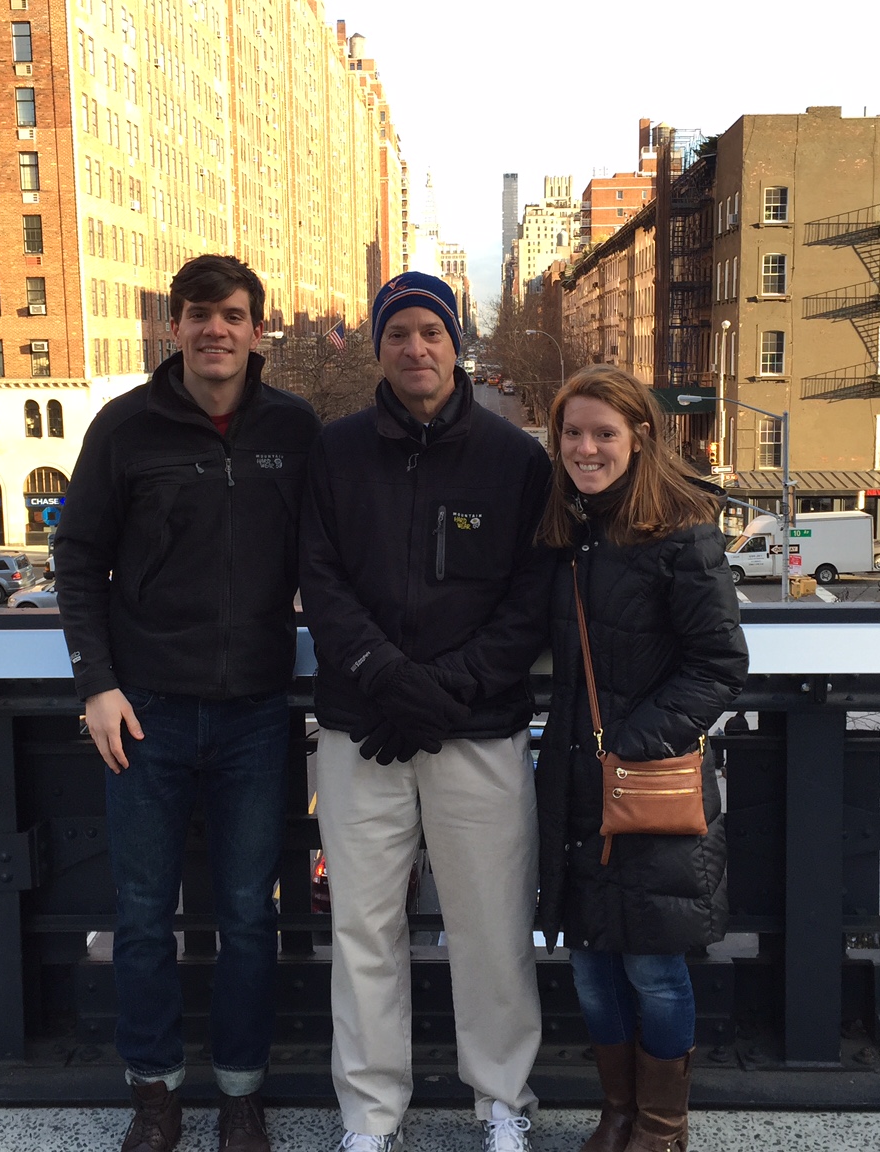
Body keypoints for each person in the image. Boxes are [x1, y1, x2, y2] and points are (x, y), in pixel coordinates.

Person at [56, 254, 321, 1152]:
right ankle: (156, 1091)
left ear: (257, 330)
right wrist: (96, 682)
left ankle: (241, 1092)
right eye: (201, 314)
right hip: (145, 715)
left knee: (251, 915)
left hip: (255, 711)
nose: (217, 329)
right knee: (141, 916)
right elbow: (78, 560)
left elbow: (328, 558)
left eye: (235, 315)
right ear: (176, 326)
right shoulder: (124, 429)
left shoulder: (294, 428)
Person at [300, 271, 553, 1152]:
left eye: (432, 333)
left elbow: (530, 601)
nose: (417, 348)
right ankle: (370, 1119)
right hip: (360, 729)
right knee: (362, 929)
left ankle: (501, 1104)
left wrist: (441, 693)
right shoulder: (332, 455)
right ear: (380, 347)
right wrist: (389, 679)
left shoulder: (516, 459)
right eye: (400, 333)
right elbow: (320, 583)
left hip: (475, 732)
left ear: (457, 344)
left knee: (491, 927)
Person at [534, 365, 748, 1152]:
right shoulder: (565, 532)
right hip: (573, 787)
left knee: (655, 970)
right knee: (592, 965)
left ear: (640, 439)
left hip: (650, 786)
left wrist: (632, 741)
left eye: (604, 434)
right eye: (573, 433)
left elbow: (720, 663)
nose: (586, 448)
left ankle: (661, 1126)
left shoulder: (681, 534)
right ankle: (616, 1113)